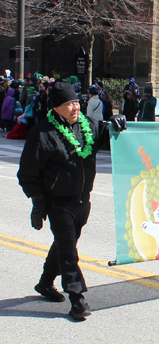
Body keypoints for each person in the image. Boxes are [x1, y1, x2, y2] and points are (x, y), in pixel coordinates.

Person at [17, 82, 126, 319]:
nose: (75, 107)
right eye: (68, 104)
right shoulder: (42, 133)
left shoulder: (88, 126)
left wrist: (117, 121)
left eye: (76, 102)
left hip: (82, 200)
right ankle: (77, 299)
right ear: (56, 108)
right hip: (58, 202)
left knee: (63, 245)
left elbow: (109, 138)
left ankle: (45, 283)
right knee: (68, 251)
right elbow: (27, 173)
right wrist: (37, 203)